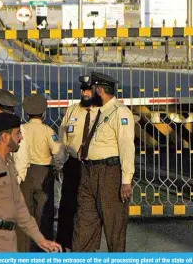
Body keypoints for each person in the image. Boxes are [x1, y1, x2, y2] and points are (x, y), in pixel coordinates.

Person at [0, 112, 63, 253]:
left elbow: (20, 208)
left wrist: (41, 240)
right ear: (5, 137)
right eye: (18, 133)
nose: (21, 137)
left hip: (8, 239)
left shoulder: (8, 163)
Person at [72, 72, 135, 252]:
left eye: (92, 89)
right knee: (83, 227)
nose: (89, 93)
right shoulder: (98, 112)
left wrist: (126, 181)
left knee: (114, 228)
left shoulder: (120, 112)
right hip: (89, 173)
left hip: (109, 175)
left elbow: (126, 147)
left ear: (99, 90)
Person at [14, 94, 65, 252]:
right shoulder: (48, 130)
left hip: (25, 173)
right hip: (43, 173)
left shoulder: (22, 129)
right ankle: (44, 249)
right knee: (44, 214)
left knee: (24, 214)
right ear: (43, 113)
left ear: (26, 112)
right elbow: (59, 152)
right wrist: (57, 168)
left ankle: (23, 250)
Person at [55, 75, 99, 251]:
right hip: (73, 164)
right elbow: (62, 140)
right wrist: (59, 163)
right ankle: (64, 245)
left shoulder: (101, 112)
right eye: (84, 90)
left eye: (89, 90)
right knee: (67, 207)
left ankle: (87, 247)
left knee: (89, 210)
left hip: (93, 166)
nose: (86, 93)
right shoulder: (72, 110)